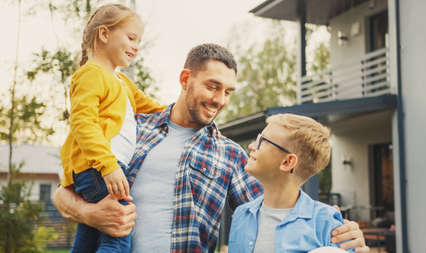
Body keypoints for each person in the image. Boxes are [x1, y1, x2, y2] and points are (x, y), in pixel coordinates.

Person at [53, 43, 369, 252]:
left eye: (228, 91)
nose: (220, 100)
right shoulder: (132, 127)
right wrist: (89, 213)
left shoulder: (230, 155)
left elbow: (279, 208)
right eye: (212, 86)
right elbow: (66, 187)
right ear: (185, 78)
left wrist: (336, 229)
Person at [60, 4, 165, 252]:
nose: (136, 46)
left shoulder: (121, 81)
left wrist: (182, 111)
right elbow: (83, 123)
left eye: (138, 40)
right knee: (120, 226)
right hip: (100, 168)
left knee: (90, 235)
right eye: (131, 38)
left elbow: (152, 107)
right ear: (104, 34)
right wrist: (108, 166)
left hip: (103, 168)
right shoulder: (90, 74)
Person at [228, 114, 357, 252]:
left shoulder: (327, 223)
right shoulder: (241, 215)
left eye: (263, 141)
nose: (252, 146)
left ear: (287, 162)